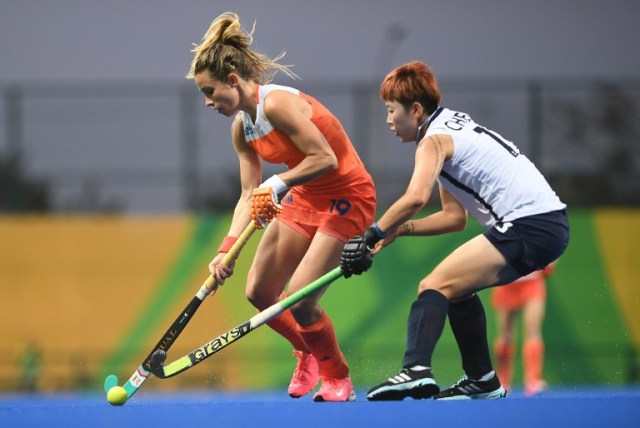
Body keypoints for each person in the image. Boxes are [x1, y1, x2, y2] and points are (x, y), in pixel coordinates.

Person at [340, 61, 569, 401]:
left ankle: (415, 369)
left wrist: (370, 234)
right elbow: (453, 217)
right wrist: (397, 231)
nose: (388, 121)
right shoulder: (449, 127)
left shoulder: (432, 141)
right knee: (457, 289)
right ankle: (482, 379)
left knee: (434, 285)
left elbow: (416, 197)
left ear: (416, 110)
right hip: (546, 224)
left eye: (391, 111)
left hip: (529, 223)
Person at [190, 12, 376, 402]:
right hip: (306, 195)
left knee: (302, 296)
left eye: (210, 92)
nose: (208, 102)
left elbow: (325, 158)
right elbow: (247, 193)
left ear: (233, 81)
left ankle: (338, 378)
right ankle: (307, 351)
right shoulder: (241, 128)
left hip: (347, 196)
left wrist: (277, 183)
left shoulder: (276, 105)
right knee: (259, 290)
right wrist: (225, 251)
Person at [491, 263, 555, 396]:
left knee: (533, 327)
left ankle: (533, 380)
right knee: (505, 333)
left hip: (532, 281)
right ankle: (503, 380)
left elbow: (557, 242)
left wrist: (550, 261)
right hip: (507, 280)